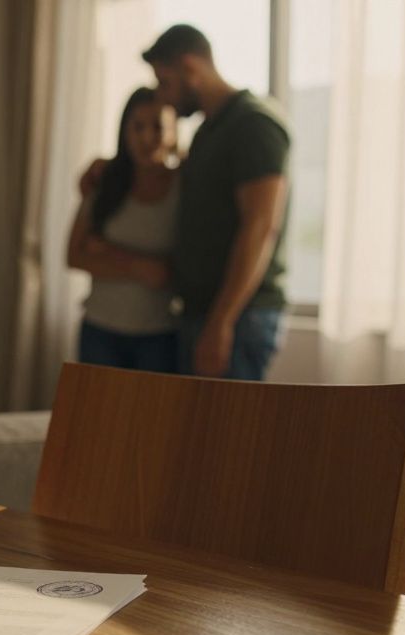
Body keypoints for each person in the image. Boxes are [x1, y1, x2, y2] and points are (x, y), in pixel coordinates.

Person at [143, 24, 290, 380]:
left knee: (226, 434)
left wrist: (221, 322)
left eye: (166, 82)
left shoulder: (253, 125)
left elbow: (261, 227)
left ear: (191, 68)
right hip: (203, 313)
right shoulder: (210, 132)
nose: (164, 98)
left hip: (237, 318)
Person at [67, 87, 179, 372]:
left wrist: (104, 250)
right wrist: (139, 266)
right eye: (137, 127)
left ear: (173, 131)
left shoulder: (184, 186)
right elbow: (74, 256)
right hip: (100, 330)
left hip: (159, 333)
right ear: (124, 131)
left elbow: (171, 271)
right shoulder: (104, 181)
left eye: (157, 127)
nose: (146, 138)